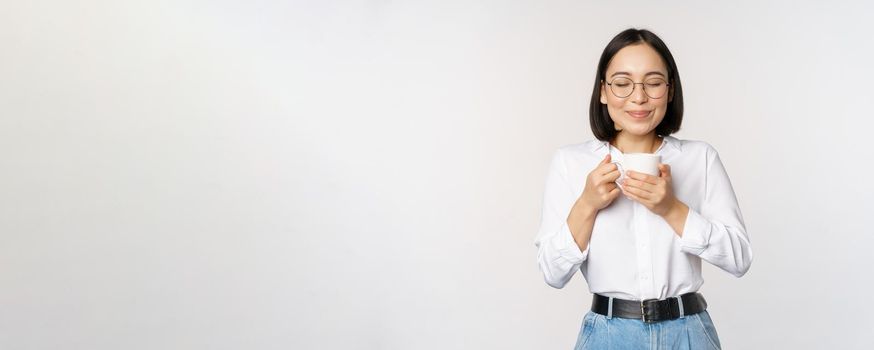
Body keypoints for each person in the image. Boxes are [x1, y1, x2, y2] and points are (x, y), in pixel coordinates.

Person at [533, 28, 753, 350]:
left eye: (653, 83)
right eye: (622, 84)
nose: (639, 97)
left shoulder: (699, 158)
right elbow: (553, 273)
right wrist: (587, 203)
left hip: (689, 332)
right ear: (603, 92)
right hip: (608, 335)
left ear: (670, 90)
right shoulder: (571, 162)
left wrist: (671, 209)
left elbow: (739, 259)